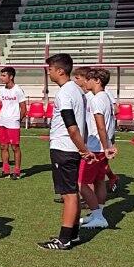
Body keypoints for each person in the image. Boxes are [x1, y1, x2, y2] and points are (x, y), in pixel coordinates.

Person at [38, 53, 94, 251]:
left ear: (60, 71)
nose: (49, 72)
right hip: (71, 149)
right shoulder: (77, 90)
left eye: (50, 69)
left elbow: (71, 126)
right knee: (73, 192)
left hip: (64, 148)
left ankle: (64, 239)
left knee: (68, 194)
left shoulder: (64, 93)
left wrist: (83, 149)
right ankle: (74, 233)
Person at [79, 68, 118, 229]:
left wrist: (106, 147)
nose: (85, 82)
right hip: (102, 148)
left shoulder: (96, 99)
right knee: (99, 180)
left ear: (97, 81)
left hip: (96, 148)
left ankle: (97, 216)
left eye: (89, 79)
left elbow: (100, 127)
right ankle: (98, 214)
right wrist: (108, 145)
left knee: (82, 184)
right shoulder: (106, 97)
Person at [0, 66, 27, 180]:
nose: (1, 78)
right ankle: (5, 170)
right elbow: (3, 104)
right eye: (1, 75)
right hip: (2, 121)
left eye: (4, 76)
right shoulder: (2, 90)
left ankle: (17, 171)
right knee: (3, 146)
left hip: (13, 123)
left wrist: (17, 120)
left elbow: (23, 109)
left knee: (15, 147)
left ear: (11, 77)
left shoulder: (18, 90)